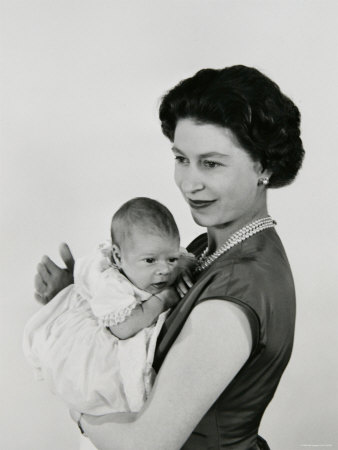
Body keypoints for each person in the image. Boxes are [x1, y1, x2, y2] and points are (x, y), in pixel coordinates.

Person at [34, 65, 305, 449]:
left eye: (211, 163)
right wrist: (76, 299)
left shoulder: (237, 291)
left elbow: (147, 445)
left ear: (263, 166)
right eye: (181, 159)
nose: (189, 183)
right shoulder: (204, 249)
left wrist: (78, 405)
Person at [24, 197, 194, 415]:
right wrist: (162, 300)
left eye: (170, 259)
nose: (164, 270)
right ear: (118, 256)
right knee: (106, 384)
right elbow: (122, 328)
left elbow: (183, 260)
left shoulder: (157, 259)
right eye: (150, 261)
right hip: (100, 350)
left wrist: (183, 267)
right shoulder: (111, 284)